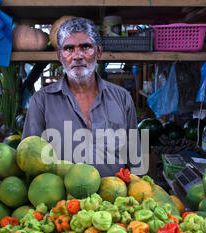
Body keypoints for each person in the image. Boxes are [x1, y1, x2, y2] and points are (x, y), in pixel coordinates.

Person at [22, 17, 145, 177]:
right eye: (69, 49)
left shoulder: (121, 98)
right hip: (61, 200)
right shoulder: (42, 101)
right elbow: (28, 157)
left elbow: (134, 159)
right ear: (60, 55)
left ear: (98, 52)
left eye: (85, 47)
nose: (77, 55)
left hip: (114, 198)